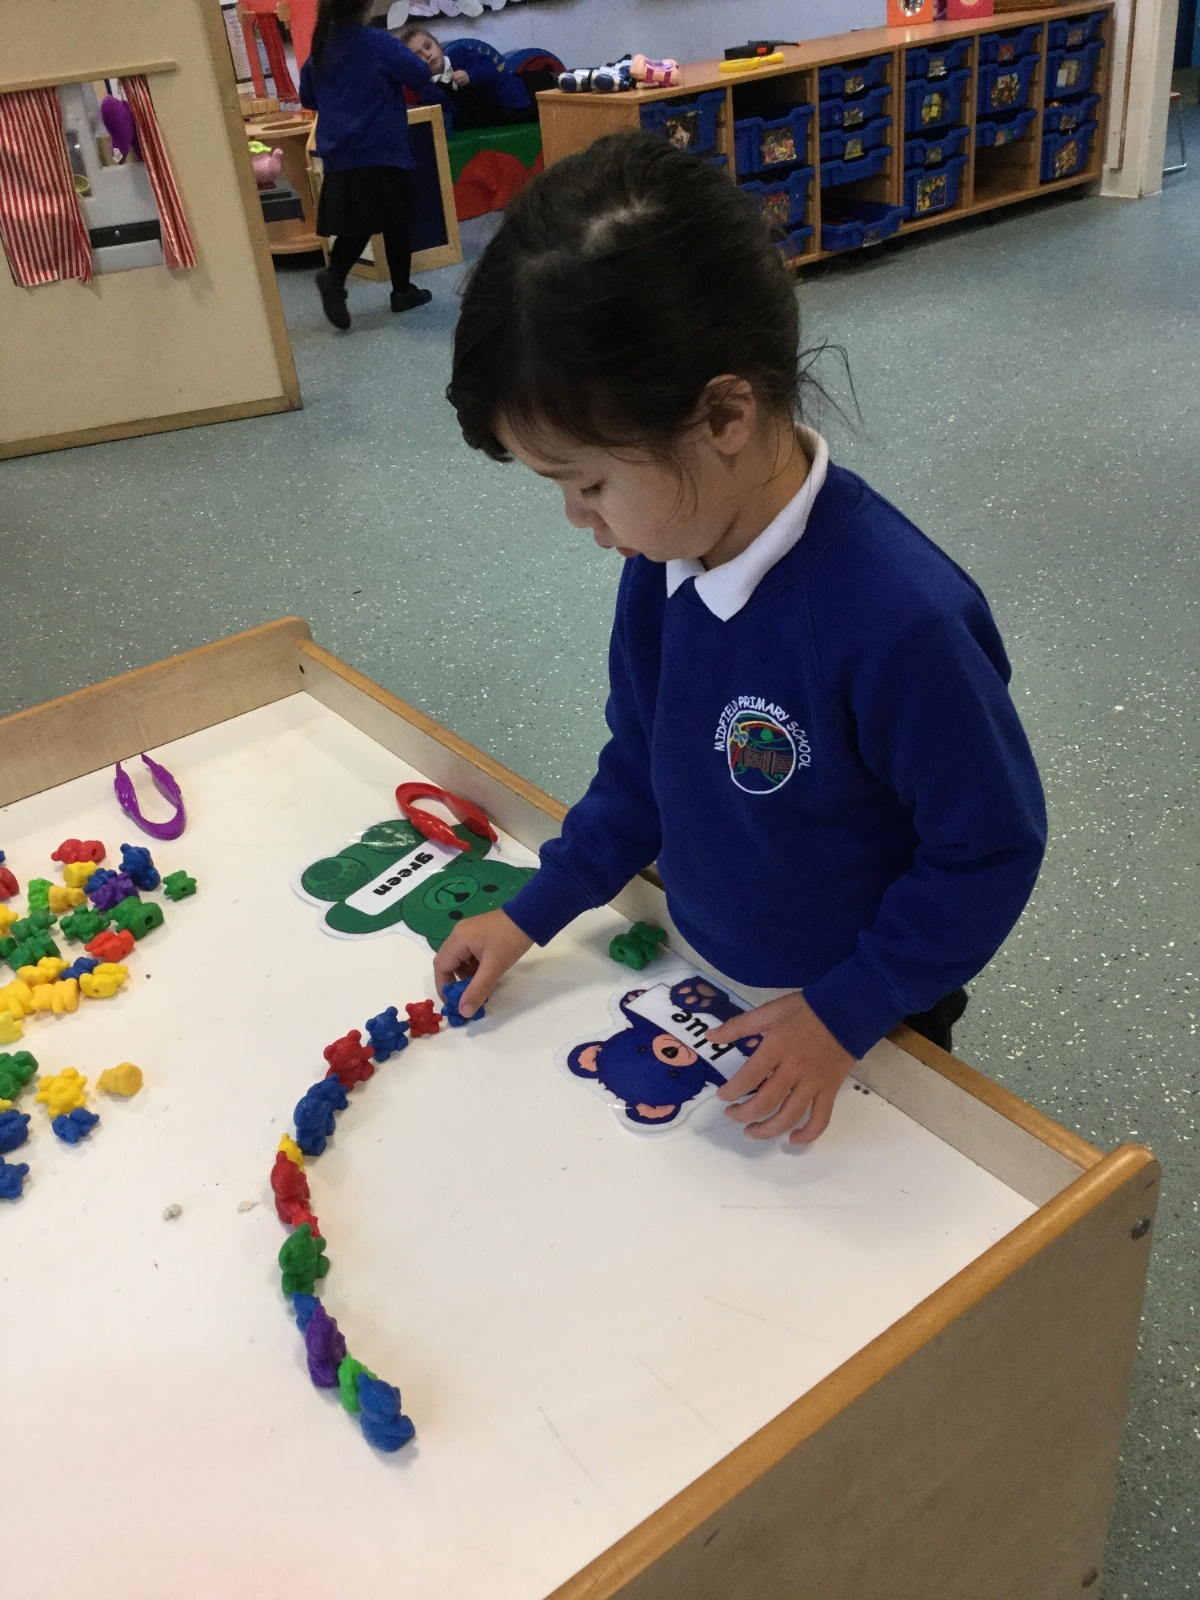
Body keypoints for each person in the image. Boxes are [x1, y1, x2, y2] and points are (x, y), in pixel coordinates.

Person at [436, 132, 1047, 1147]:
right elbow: (643, 767)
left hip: (867, 1019)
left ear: (724, 414)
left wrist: (846, 1012)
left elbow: (988, 849)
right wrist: (535, 907)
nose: (579, 520)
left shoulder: (904, 619)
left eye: (589, 483)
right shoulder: (663, 561)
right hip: (710, 972)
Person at [299, 0, 434, 330]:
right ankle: (343, 279)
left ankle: (396, 289)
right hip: (379, 149)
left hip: (341, 156)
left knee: (365, 223)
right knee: (394, 222)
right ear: (366, 7)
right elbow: (420, 74)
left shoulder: (320, 50)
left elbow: (308, 97)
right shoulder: (377, 43)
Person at [396, 24, 538, 130]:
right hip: (492, 119)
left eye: (428, 47)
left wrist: (470, 75)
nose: (427, 55)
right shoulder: (427, 90)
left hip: (515, 97)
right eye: (418, 56)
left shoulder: (460, 55)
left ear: (438, 45)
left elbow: (491, 68)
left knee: (543, 88)